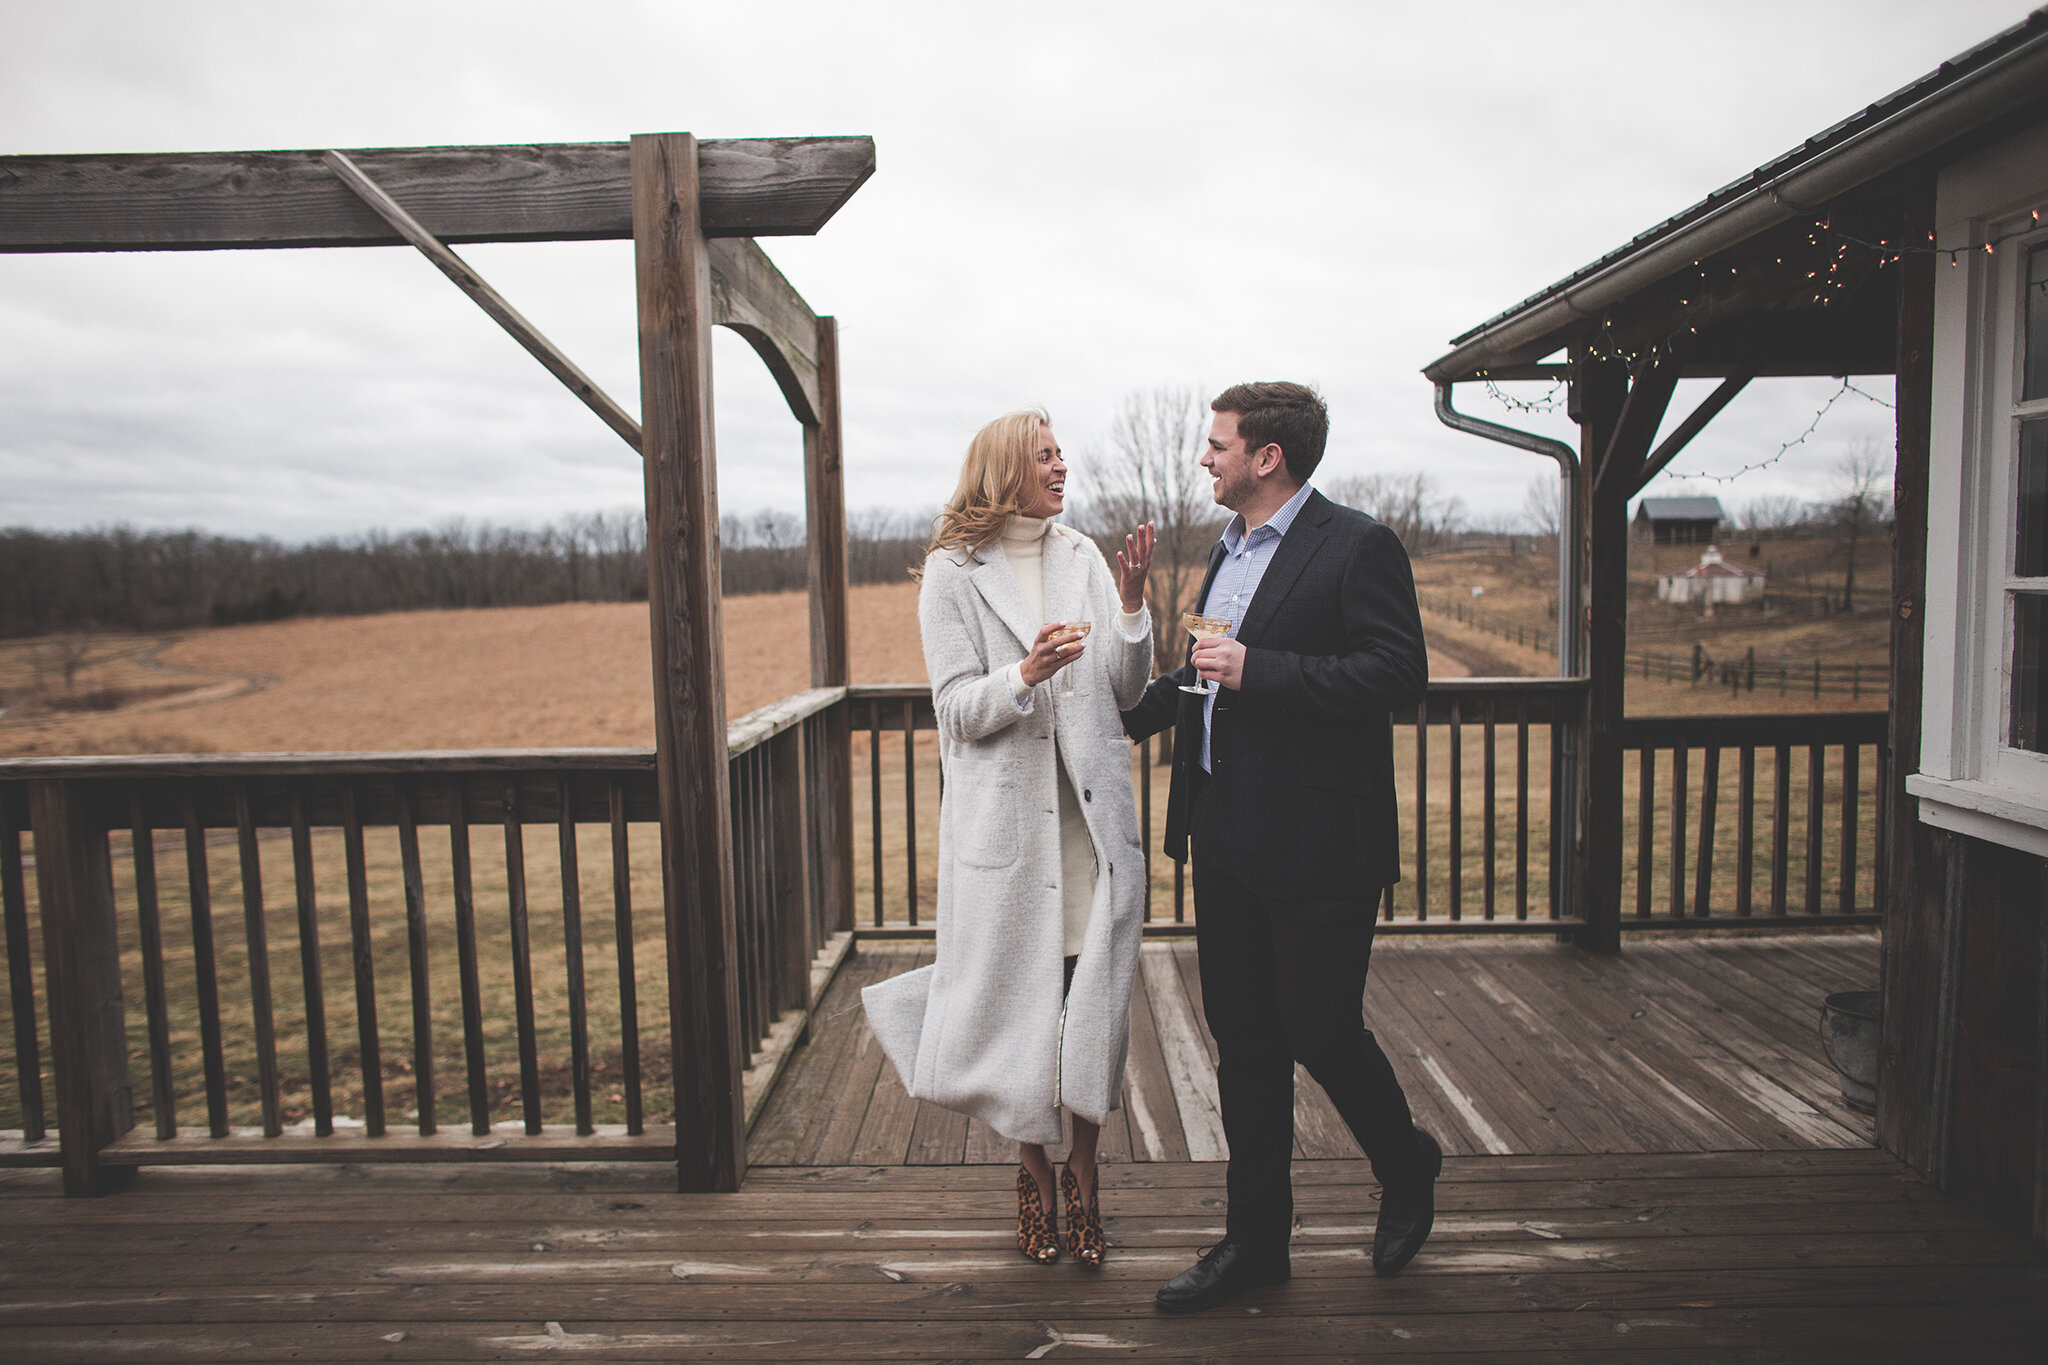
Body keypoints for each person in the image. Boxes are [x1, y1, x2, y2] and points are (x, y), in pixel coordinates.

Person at [1120, 381, 1440, 1313]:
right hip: (1224, 837)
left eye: (1217, 444)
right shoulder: (1226, 554)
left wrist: (1263, 670)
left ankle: (1406, 1163)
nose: (1205, 458)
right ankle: (1255, 1242)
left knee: (1322, 1029)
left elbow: (1397, 671)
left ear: (1269, 457)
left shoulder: (1357, 544)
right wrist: (1122, 713)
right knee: (1248, 1047)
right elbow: (1209, 673)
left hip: (1321, 844)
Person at [863, 408, 1155, 1268]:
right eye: (1044, 456)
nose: (1061, 466)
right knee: (1021, 1014)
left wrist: (1132, 611)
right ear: (1004, 469)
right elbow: (954, 708)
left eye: (1063, 452)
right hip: (1011, 842)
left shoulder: (1084, 559)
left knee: (1091, 1014)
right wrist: (1023, 674)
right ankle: (1032, 1171)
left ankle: (1087, 1180)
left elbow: (1130, 692)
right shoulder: (952, 573)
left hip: (1092, 834)